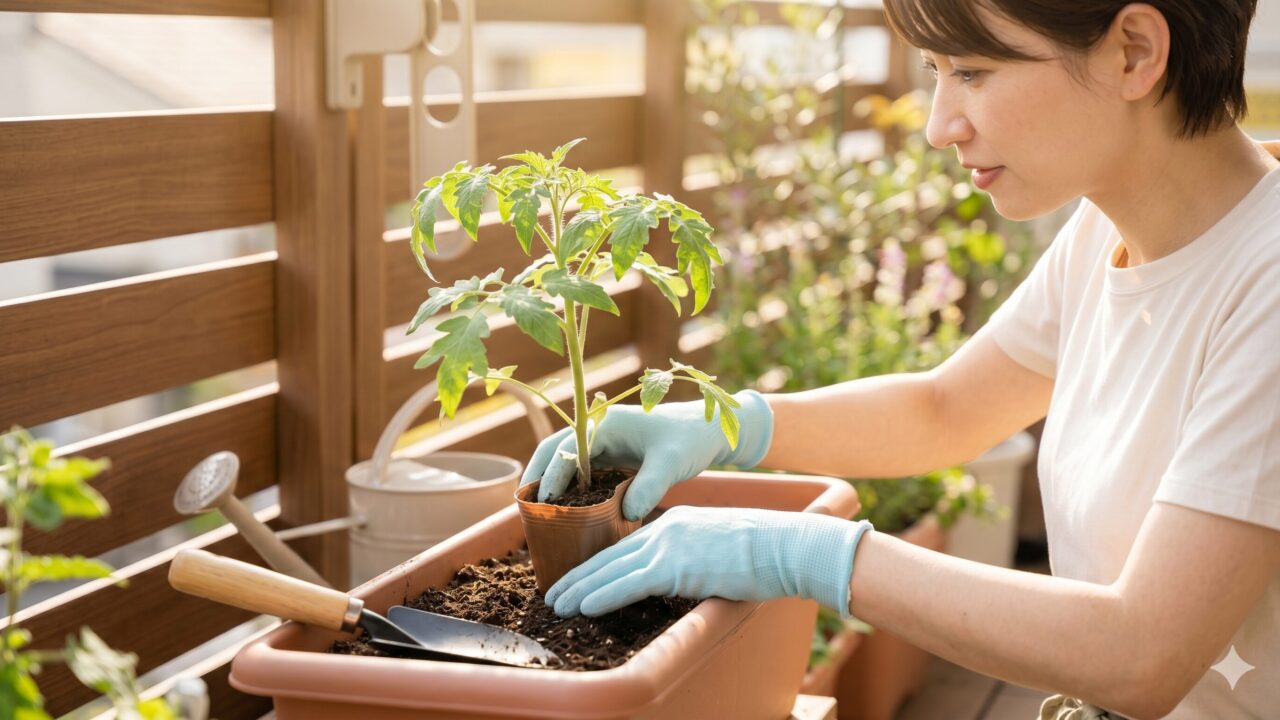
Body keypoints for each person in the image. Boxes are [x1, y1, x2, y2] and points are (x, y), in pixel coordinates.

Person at [521, 1, 1280, 717]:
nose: (939, 127)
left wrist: (801, 552)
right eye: (934, 72)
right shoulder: (1106, 231)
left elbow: (1142, 654)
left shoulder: (1266, 284)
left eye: (973, 71)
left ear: (1134, 53)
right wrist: (729, 425)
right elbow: (948, 409)